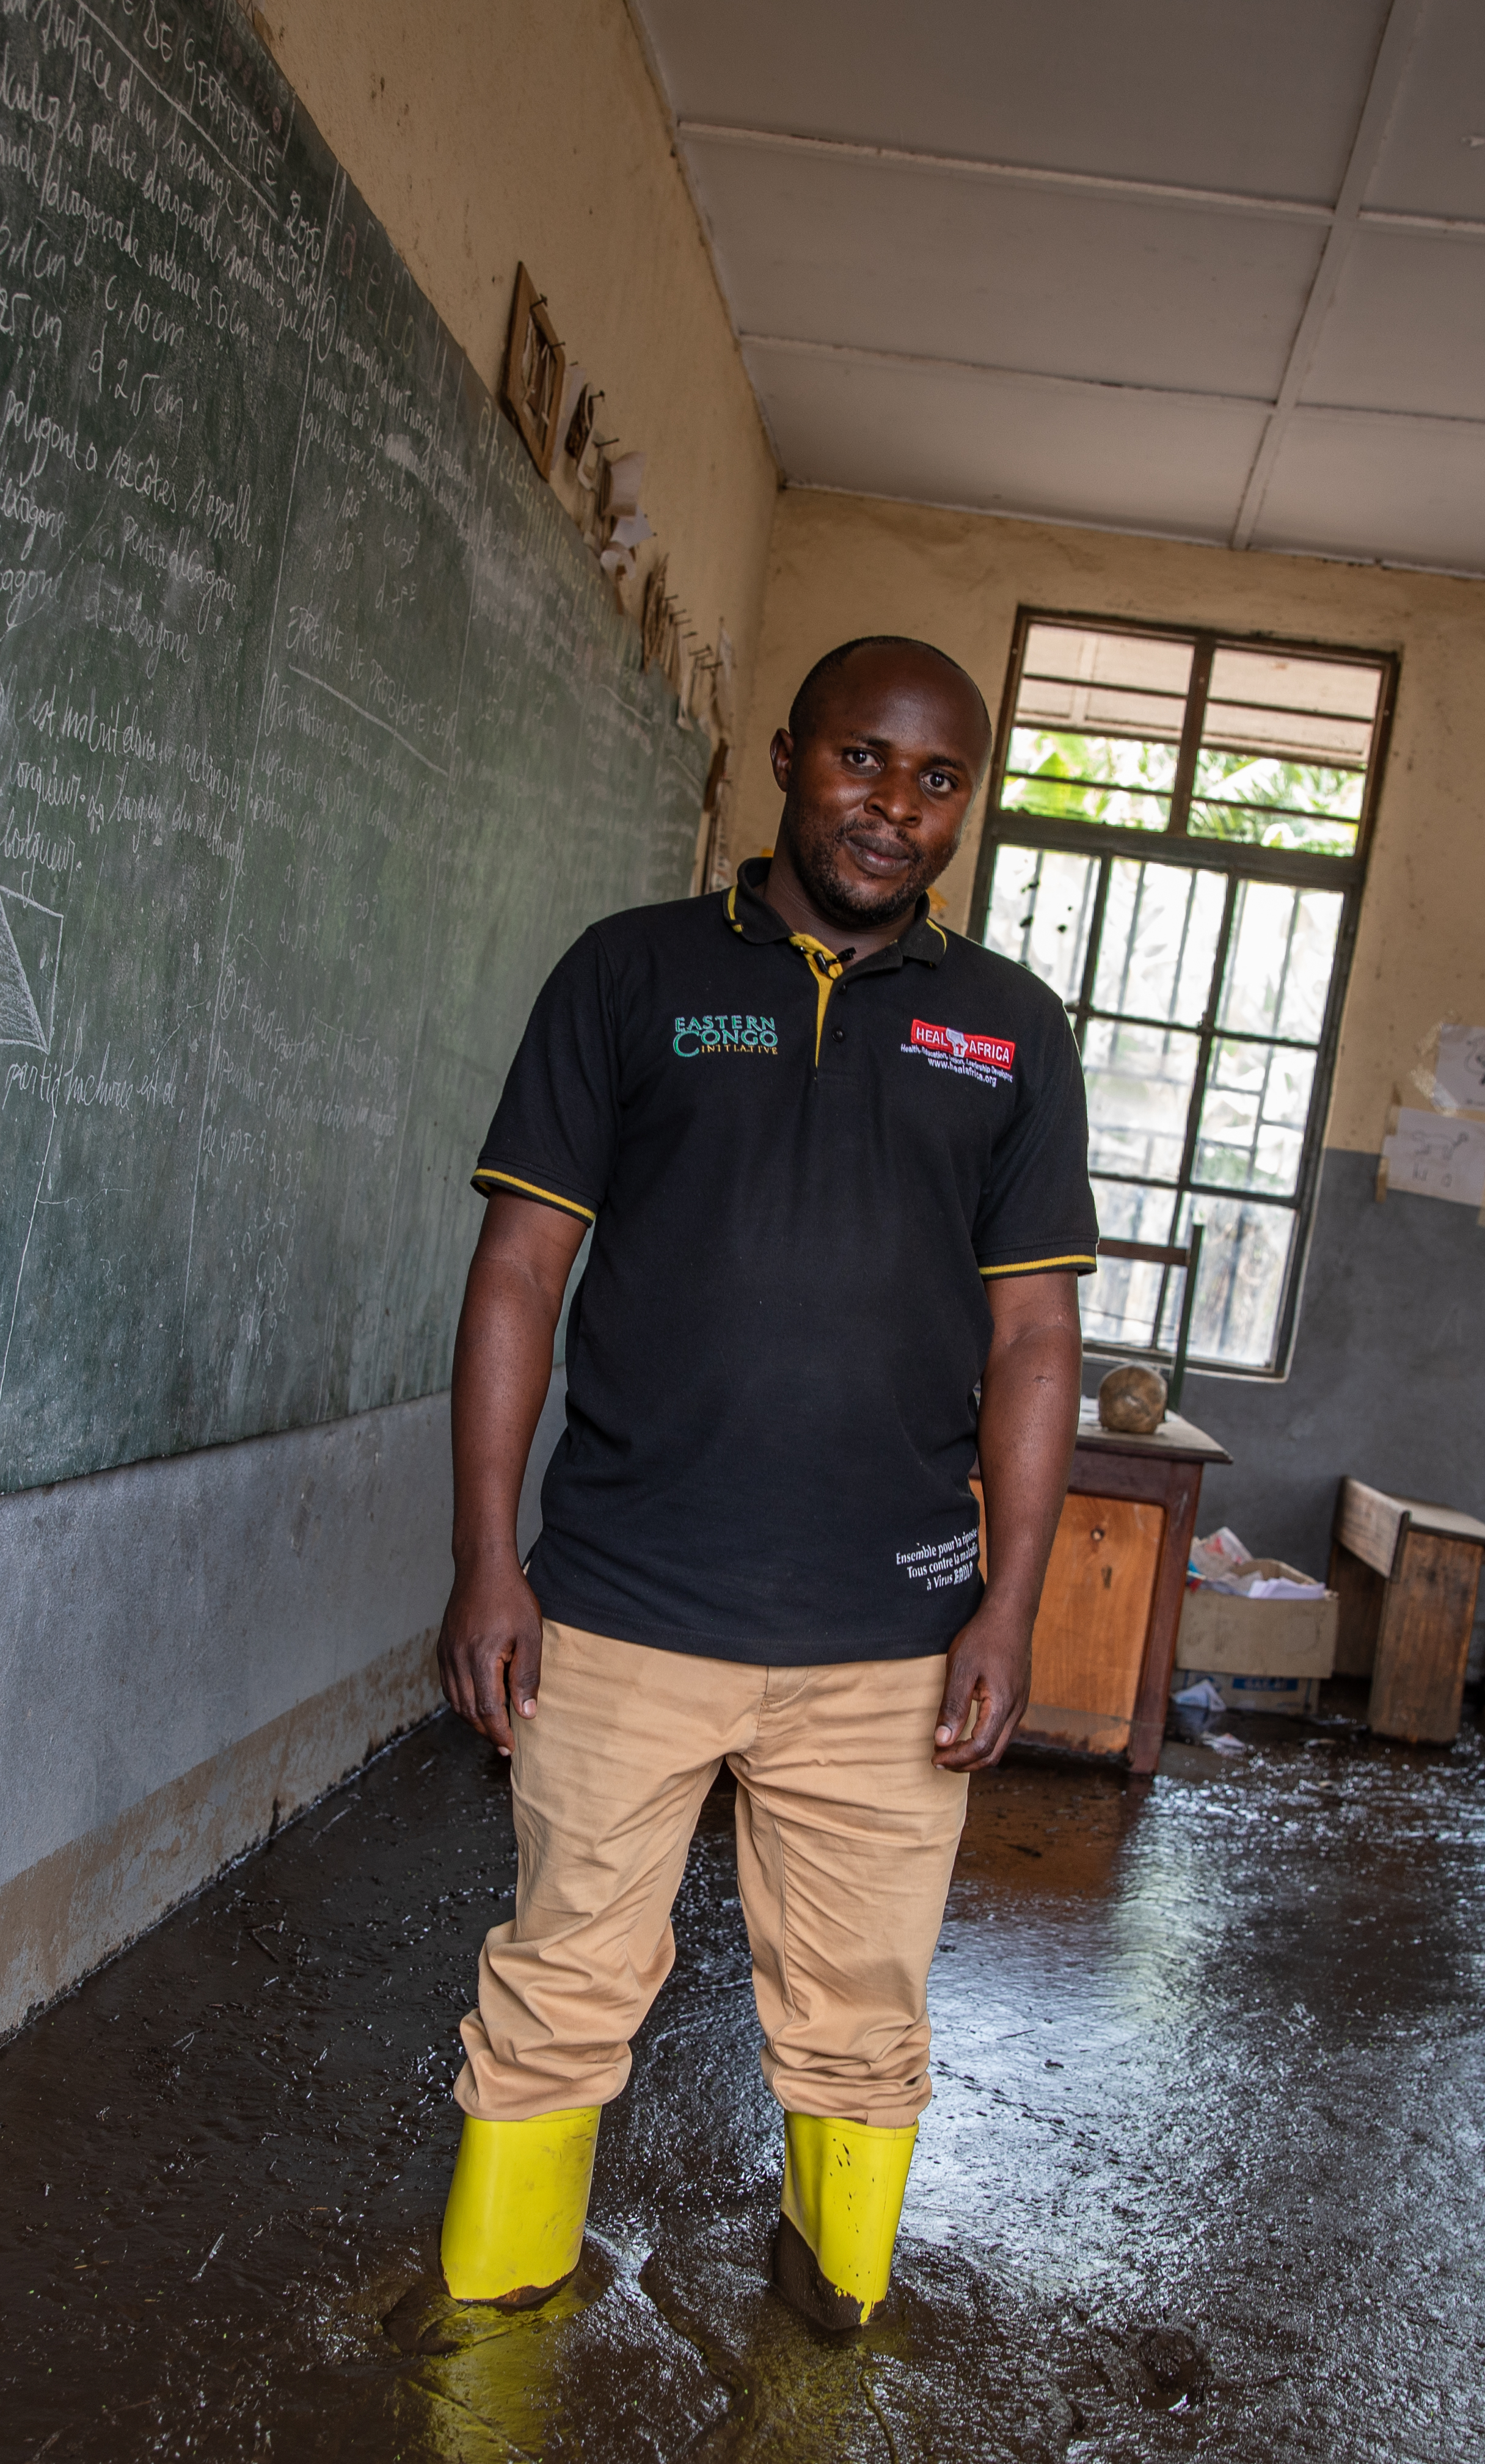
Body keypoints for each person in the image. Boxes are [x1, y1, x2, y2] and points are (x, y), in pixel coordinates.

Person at [428, 633, 1093, 2334]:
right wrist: (486, 1561)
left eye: (937, 778)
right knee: (559, 1987)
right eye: (861, 759)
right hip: (627, 1608)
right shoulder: (629, 974)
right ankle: (490, 2356)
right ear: (787, 756)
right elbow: (519, 1274)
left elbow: (1031, 1344)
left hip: (892, 1635)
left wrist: (1008, 1604)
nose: (892, 805)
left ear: (969, 805)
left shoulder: (1009, 1030)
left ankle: (823, 2363)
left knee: (863, 2021)